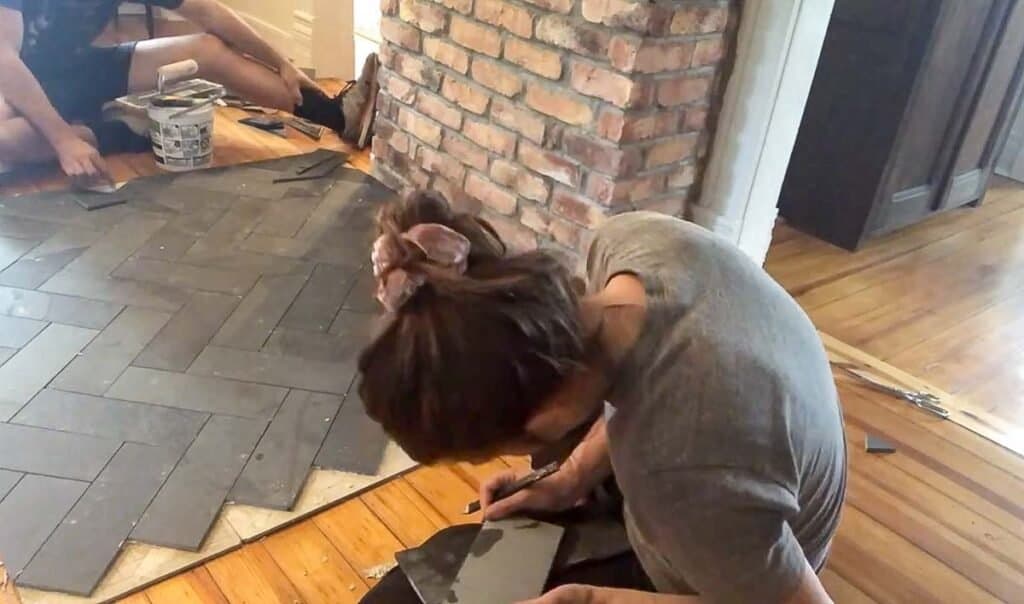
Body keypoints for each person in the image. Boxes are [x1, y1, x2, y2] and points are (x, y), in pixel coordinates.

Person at [357, 191, 847, 604]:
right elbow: (642, 386)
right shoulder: (632, 242)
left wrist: (596, 599)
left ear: (550, 417)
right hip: (741, 485)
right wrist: (570, 478)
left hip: (735, 573)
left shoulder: (680, 475)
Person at [0, 0, 379, 182]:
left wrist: (283, 63)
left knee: (206, 50)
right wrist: (65, 140)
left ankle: (336, 114)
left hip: (80, 70)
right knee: (5, 139)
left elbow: (209, 13)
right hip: (17, 82)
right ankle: (117, 133)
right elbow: (5, 60)